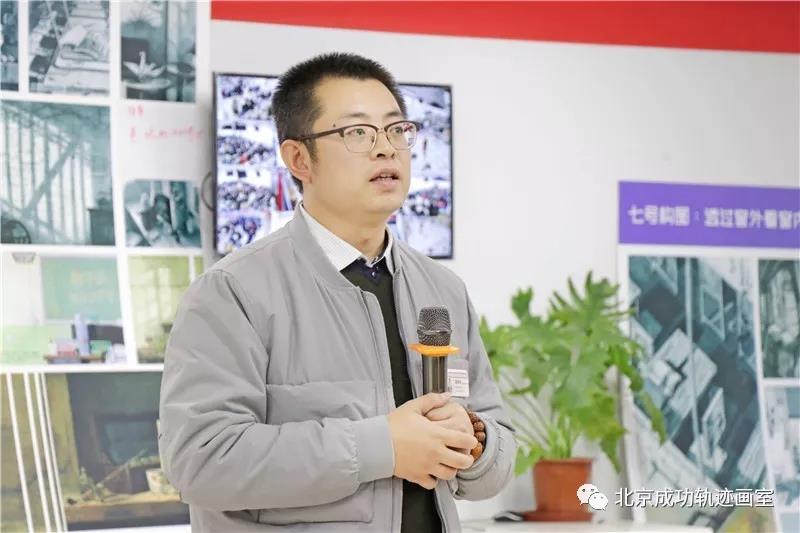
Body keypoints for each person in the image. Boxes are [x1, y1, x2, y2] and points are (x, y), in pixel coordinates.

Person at [159, 52, 515, 532]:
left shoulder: (442, 288)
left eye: (396, 130)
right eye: (358, 133)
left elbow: (496, 452)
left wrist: (476, 441)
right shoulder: (232, 293)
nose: (386, 149)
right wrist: (382, 447)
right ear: (299, 159)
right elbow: (201, 460)